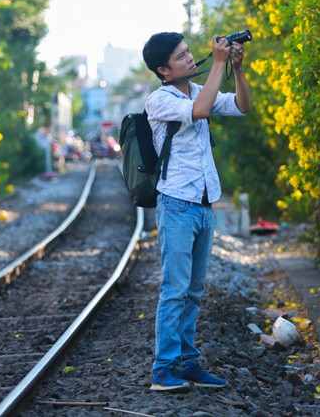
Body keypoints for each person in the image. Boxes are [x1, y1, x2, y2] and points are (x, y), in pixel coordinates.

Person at [142, 32, 251, 392]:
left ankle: (188, 362)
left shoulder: (197, 90)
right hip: (176, 205)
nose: (191, 58)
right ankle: (163, 370)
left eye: (190, 53)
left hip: (204, 204)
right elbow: (201, 110)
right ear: (163, 69)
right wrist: (218, 62)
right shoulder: (160, 100)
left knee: (194, 291)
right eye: (182, 56)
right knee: (175, 289)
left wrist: (236, 68)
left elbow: (241, 105)